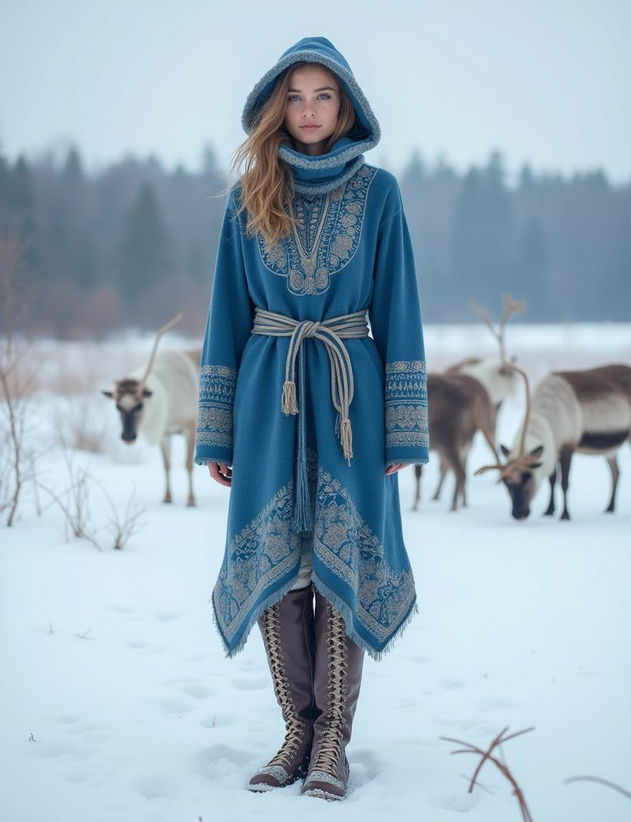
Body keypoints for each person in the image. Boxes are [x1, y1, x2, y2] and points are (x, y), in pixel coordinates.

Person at [194, 36, 429, 801]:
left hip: (348, 392)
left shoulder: (381, 192)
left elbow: (399, 306)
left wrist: (402, 425)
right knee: (280, 563)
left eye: (322, 96)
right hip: (268, 392)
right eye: (294, 97)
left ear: (348, 104)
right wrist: (216, 428)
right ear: (275, 106)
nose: (307, 111)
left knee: (342, 559)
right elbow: (228, 312)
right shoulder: (249, 194)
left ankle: (334, 738)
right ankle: (296, 728)